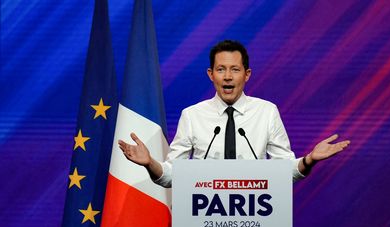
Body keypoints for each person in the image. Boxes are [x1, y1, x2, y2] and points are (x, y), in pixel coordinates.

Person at [118, 40, 350, 188]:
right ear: (211, 74)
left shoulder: (266, 112)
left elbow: (284, 172)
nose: (227, 76)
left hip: (254, 220)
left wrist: (308, 160)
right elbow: (173, 176)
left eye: (235, 70)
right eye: (221, 70)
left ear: (246, 74)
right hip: (204, 221)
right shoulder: (192, 115)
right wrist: (150, 163)